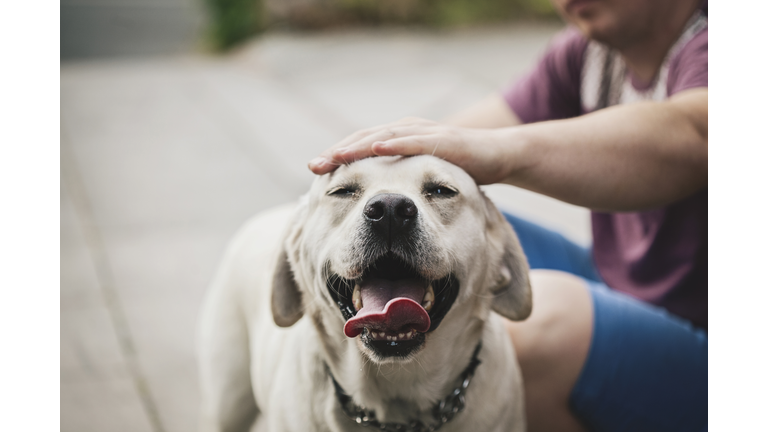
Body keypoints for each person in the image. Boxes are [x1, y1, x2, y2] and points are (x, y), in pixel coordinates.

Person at [308, 0, 708, 431]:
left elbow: (699, 131)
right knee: (464, 224)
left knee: (544, 322)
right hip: (620, 280)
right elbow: (439, 146)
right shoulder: (587, 54)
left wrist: (501, 153)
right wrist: (355, 198)